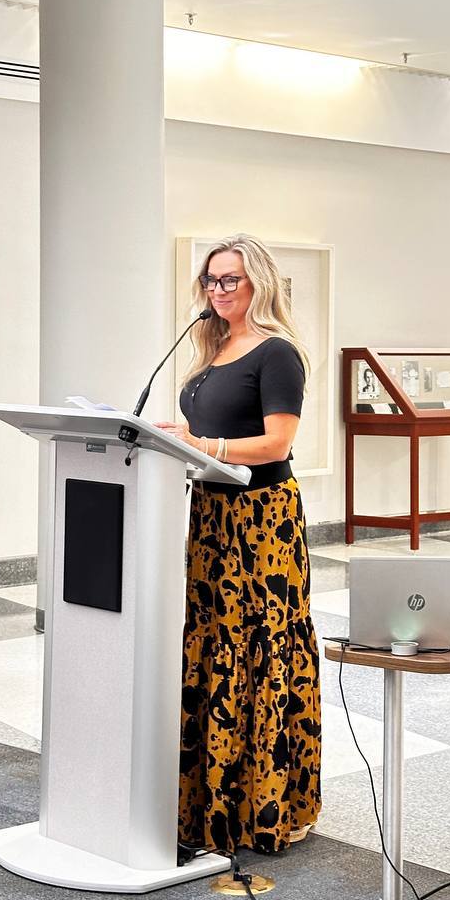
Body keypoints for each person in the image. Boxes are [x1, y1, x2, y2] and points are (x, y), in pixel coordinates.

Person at [156, 234, 321, 857]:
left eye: (231, 280)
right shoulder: (212, 347)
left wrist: (203, 446)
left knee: (257, 644)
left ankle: (269, 803)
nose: (218, 290)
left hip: (261, 522)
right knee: (213, 639)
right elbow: (209, 433)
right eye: (211, 280)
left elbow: (276, 443)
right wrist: (178, 437)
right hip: (212, 514)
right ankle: (212, 801)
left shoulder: (278, 354)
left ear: (259, 283)